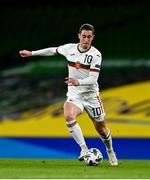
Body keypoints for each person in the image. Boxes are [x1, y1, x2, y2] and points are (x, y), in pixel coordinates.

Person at [19, 23, 118, 166]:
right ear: (79, 36)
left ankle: (110, 151)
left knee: (101, 129)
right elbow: (52, 51)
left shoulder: (96, 55)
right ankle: (84, 149)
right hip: (75, 94)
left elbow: (93, 79)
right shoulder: (69, 48)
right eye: (83, 36)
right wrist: (32, 53)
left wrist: (78, 81)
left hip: (91, 96)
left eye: (89, 37)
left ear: (93, 37)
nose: (86, 40)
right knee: (68, 115)